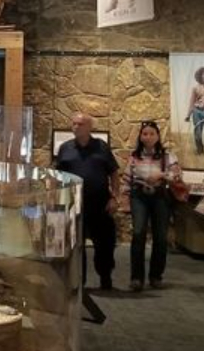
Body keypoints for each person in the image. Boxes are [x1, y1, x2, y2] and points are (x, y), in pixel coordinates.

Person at [54, 112, 120, 290]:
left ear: (90, 127)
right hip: (74, 204)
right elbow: (57, 175)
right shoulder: (65, 148)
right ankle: (79, 281)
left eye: (80, 124)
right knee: (76, 245)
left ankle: (105, 276)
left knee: (104, 244)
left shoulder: (101, 147)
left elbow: (114, 173)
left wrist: (115, 197)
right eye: (73, 123)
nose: (75, 127)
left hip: (100, 203)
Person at [126, 121, 180, 291]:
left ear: (157, 136)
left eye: (151, 134)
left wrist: (161, 175)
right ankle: (136, 278)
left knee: (160, 236)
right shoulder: (134, 156)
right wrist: (123, 197)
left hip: (160, 196)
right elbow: (127, 178)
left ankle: (156, 276)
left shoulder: (168, 156)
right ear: (140, 136)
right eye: (145, 134)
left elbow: (176, 176)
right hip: (139, 195)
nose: (148, 137)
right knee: (138, 233)